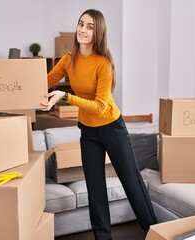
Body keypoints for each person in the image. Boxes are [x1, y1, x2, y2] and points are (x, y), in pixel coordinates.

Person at [41, 9, 157, 240]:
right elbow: (43, 82)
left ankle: (156, 231)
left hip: (112, 127)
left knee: (131, 182)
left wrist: (64, 97)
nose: (83, 30)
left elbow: (100, 107)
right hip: (88, 131)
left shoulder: (103, 63)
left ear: (98, 32)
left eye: (90, 27)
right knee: (95, 188)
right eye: (80, 24)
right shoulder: (68, 59)